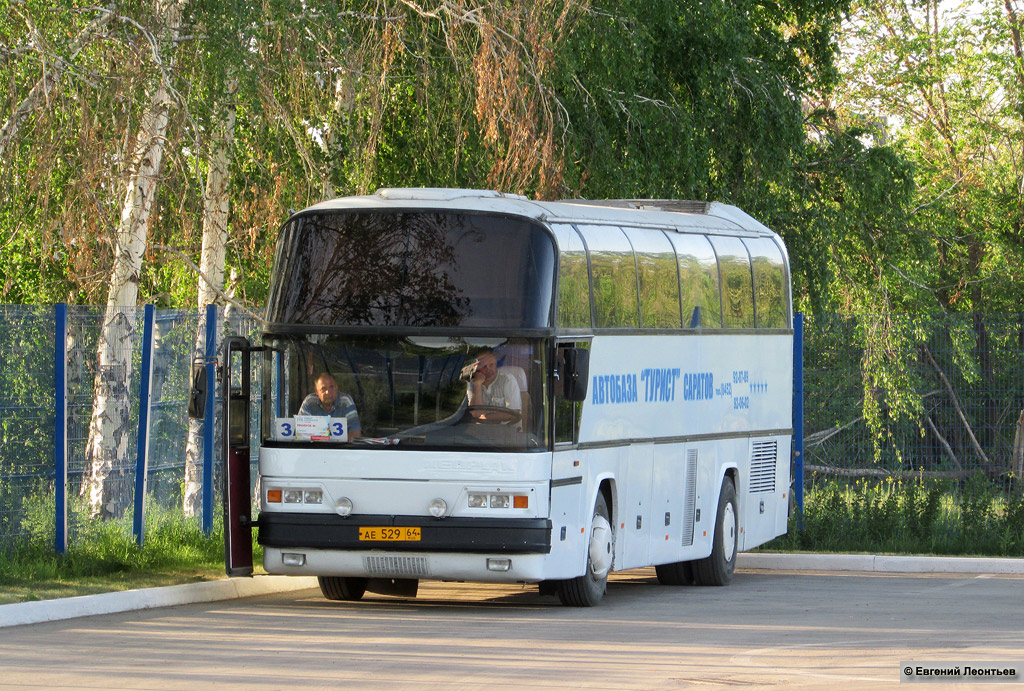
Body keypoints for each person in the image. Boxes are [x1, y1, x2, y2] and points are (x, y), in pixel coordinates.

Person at [298, 372, 362, 439]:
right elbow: (302, 433)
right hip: (315, 448)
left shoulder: (345, 401)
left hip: (340, 448)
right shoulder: (309, 402)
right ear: (316, 391)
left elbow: (355, 433)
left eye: (331, 387)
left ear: (336, 388)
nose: (328, 392)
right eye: (323, 389)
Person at [466, 349, 522, 418]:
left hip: (505, 427)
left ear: (496, 365)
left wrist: (487, 418)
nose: (488, 369)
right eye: (484, 366)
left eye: (491, 365)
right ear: (477, 369)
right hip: (479, 428)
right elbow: (475, 414)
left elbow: (514, 413)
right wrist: (477, 385)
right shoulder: (472, 384)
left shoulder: (507, 380)